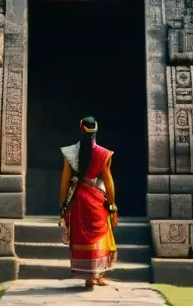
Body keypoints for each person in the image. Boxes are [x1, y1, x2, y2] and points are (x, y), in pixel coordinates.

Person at [58, 116, 118, 287]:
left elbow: (64, 181)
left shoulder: (70, 153)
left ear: (81, 127)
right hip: (97, 199)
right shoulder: (104, 154)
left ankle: (91, 276)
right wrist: (112, 204)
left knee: (83, 239)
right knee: (99, 237)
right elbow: (108, 181)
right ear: (96, 129)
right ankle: (96, 274)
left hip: (78, 200)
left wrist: (62, 205)